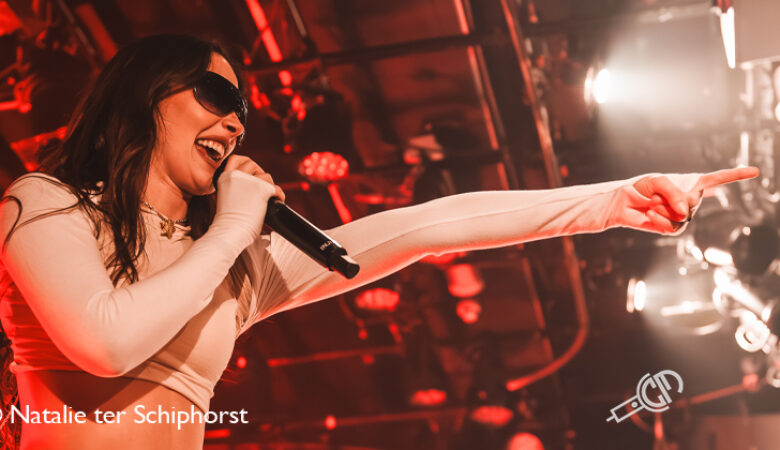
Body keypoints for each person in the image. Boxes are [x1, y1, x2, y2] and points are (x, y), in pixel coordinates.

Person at [0, 34, 759, 449]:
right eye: (219, 95)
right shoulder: (45, 202)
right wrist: (233, 228)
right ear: (145, 94)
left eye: (243, 114)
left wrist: (612, 202)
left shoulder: (228, 273)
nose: (234, 123)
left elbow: (426, 227)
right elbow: (104, 344)